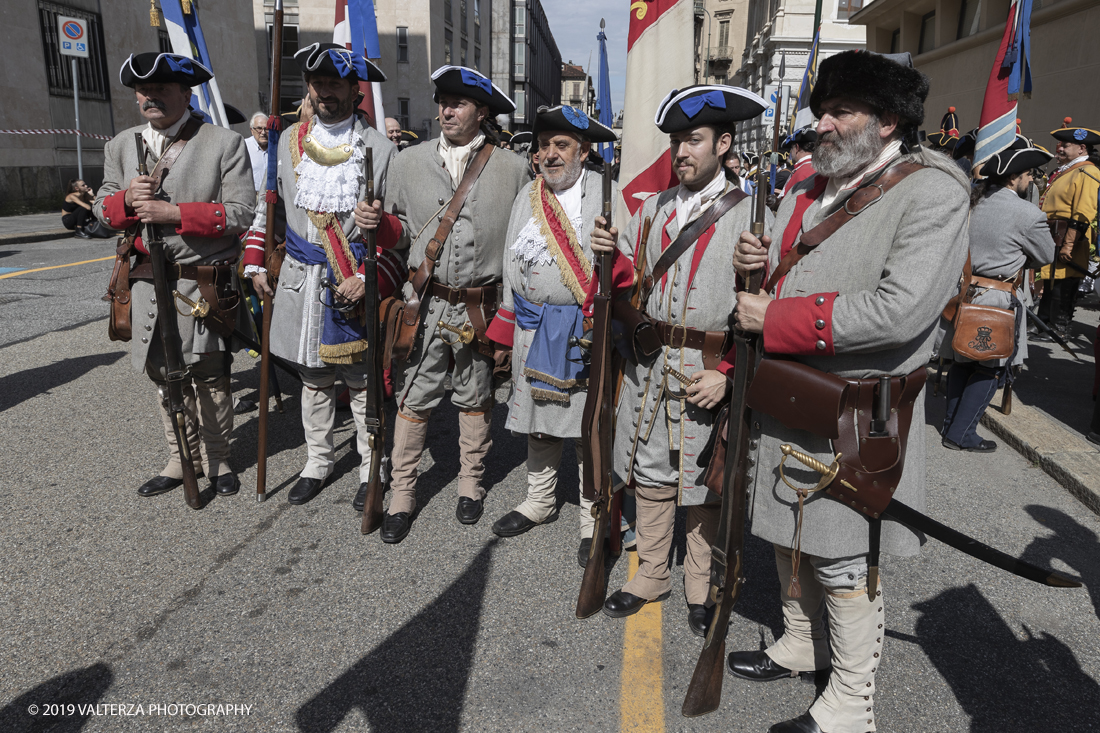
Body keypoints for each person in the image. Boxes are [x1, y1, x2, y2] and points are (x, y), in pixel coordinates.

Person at [729, 50, 970, 733]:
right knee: (785, 530)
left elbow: (900, 308)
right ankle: (803, 641)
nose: (823, 125)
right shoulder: (811, 181)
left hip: (860, 411)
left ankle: (852, 701)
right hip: (788, 389)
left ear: (889, 120)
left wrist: (772, 317)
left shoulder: (935, 190)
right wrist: (762, 262)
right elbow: (791, 260)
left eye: (840, 112)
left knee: (843, 555)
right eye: (821, 111)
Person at [590, 84, 770, 634]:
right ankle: (650, 575)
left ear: (723, 143)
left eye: (693, 140)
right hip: (650, 367)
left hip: (708, 372)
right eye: (676, 142)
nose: (681, 152)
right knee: (650, 474)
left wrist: (729, 376)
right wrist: (606, 256)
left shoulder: (755, 217)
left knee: (703, 482)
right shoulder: (653, 210)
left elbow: (768, 311)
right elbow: (631, 287)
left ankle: (699, 579)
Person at [243, 43, 401, 509]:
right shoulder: (288, 140)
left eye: (336, 83)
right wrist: (255, 261)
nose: (326, 92)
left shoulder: (381, 149)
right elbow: (265, 207)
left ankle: (372, 462)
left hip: (352, 278)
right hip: (299, 276)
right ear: (309, 89)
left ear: (355, 90)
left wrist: (370, 278)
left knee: (359, 379)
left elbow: (399, 230)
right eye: (318, 84)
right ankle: (318, 460)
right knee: (311, 379)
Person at [380, 65, 531, 544]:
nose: (446, 110)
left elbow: (522, 239)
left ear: (481, 112)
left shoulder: (512, 167)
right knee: (414, 397)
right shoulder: (407, 162)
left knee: (475, 395)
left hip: (480, 306)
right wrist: (378, 226)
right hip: (426, 304)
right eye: (442, 101)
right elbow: (399, 229)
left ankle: (470, 482)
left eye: (458, 103)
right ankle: (401, 493)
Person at [94, 52, 255, 498]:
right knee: (164, 374)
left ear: (186, 93)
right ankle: (180, 457)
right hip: (147, 280)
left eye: (161, 90)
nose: (150, 97)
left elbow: (242, 213)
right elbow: (102, 209)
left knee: (209, 373)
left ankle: (220, 458)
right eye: (143, 92)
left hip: (200, 280)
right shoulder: (121, 145)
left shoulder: (223, 143)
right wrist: (126, 199)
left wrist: (175, 212)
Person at [483, 105, 630, 563]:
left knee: (590, 428)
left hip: (582, 332)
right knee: (539, 422)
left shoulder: (609, 194)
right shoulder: (528, 194)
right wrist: (508, 325)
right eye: (543, 146)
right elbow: (511, 260)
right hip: (532, 328)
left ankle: (592, 516)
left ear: (583, 152)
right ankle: (541, 501)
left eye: (561, 145)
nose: (549, 154)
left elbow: (628, 267)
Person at [940, 137, 1054, 452]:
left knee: (962, 362)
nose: (1031, 179)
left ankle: (951, 426)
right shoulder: (1028, 214)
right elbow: (1045, 256)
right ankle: (960, 434)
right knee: (990, 367)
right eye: (1029, 174)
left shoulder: (971, 200)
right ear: (1013, 177)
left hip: (962, 292)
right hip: (996, 298)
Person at [1035, 118, 1100, 340]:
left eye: (1065, 145)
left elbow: (1082, 213)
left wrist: (1069, 243)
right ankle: (1043, 323)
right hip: (1053, 233)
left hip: (1069, 234)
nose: (1060, 148)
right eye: (1060, 145)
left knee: (1065, 281)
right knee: (1050, 279)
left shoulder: (1087, 172)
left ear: (1082, 148)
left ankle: (1059, 328)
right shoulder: (1066, 170)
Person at [780, 128, 817, 196]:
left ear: (797, 148)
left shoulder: (803, 171)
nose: (791, 152)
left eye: (791, 148)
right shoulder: (815, 168)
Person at [244, 112, 269, 194]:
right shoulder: (244, 146)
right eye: (259, 128)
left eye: (266, 128)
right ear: (252, 130)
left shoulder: (276, 148)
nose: (263, 132)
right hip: (251, 196)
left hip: (270, 198)